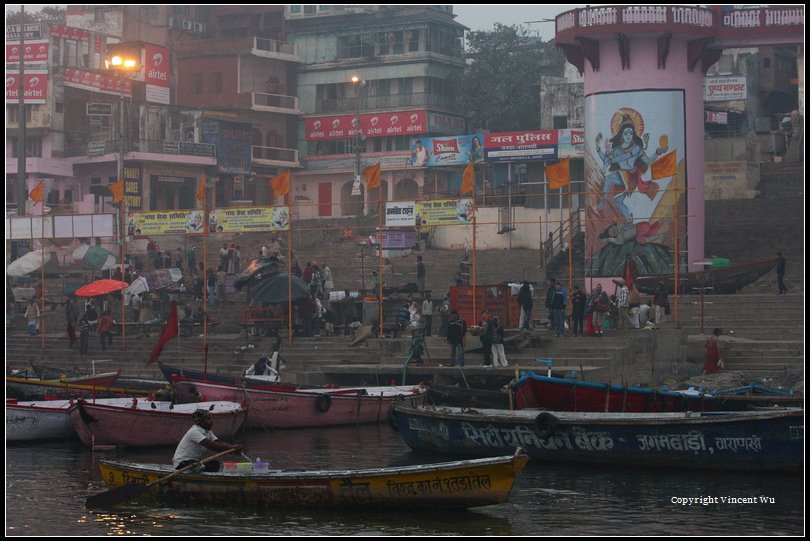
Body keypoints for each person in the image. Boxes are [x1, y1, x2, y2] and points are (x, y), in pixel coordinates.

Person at [595, 112, 668, 222]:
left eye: (630, 133)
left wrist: (657, 153)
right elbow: (606, 160)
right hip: (621, 176)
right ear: (621, 134)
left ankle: (603, 200)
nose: (628, 136)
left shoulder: (636, 148)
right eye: (625, 133)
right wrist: (598, 149)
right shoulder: (617, 149)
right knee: (618, 201)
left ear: (633, 133)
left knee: (609, 178)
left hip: (631, 177)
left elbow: (646, 161)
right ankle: (629, 220)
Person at [172, 409, 243, 472]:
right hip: (183, 464)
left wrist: (233, 449)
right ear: (200, 422)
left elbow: (218, 442)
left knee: (215, 464)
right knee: (198, 466)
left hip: (195, 462)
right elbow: (212, 446)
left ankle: (200, 471)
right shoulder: (194, 432)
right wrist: (232, 448)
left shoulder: (208, 431)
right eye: (208, 419)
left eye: (210, 418)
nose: (211, 421)